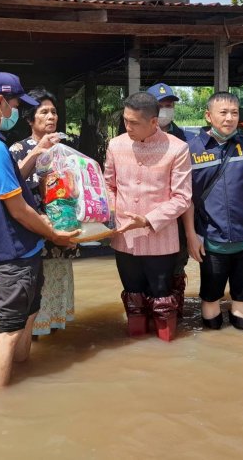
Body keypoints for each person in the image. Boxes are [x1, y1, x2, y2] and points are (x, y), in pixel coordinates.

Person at [0, 72, 79, 389]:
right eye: (15, 104)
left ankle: (23, 377)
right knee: (10, 329)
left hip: (21, 246)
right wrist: (55, 234)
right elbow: (19, 208)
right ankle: (2, 405)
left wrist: (37, 151)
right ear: (0, 101)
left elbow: (12, 180)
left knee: (28, 315)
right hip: (13, 248)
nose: (16, 111)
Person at [104, 92, 192, 342]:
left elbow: (182, 197)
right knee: (133, 296)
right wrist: (112, 215)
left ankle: (166, 346)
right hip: (124, 236)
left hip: (161, 239)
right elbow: (108, 185)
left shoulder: (177, 148)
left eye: (134, 123)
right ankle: (136, 344)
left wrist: (148, 220)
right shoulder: (116, 145)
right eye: (125, 120)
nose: (127, 127)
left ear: (153, 122)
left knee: (162, 296)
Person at [183, 92, 243, 331]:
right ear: (208, 116)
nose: (229, 118)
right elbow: (187, 200)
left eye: (234, 113)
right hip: (211, 242)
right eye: (223, 112)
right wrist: (191, 236)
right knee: (211, 304)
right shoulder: (191, 150)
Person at [10, 89, 78, 336]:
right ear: (30, 119)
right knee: (36, 286)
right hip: (35, 228)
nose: (51, 117)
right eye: (44, 112)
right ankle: (32, 335)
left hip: (63, 228)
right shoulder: (18, 149)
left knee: (58, 282)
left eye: (54, 112)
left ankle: (54, 344)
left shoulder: (66, 148)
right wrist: (37, 151)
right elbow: (13, 185)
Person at [145, 82, 189, 318]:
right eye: (160, 106)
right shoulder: (132, 139)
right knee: (145, 271)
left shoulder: (187, 140)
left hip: (178, 220)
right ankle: (148, 317)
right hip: (144, 219)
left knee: (176, 268)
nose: (165, 109)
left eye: (169, 105)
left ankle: (173, 315)